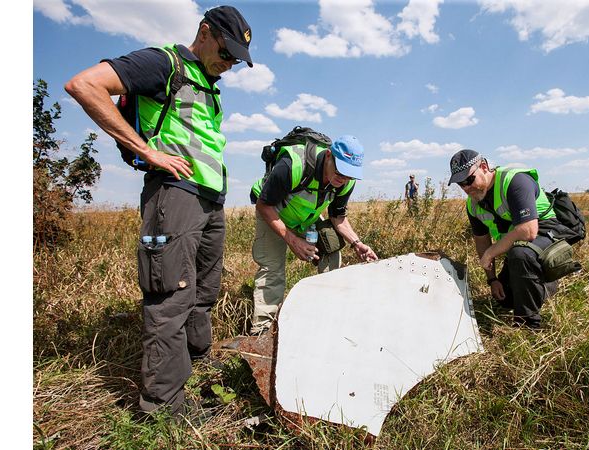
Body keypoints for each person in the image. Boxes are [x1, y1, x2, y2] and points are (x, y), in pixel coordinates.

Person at [65, 5, 254, 416]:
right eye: (226, 53)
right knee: (171, 296)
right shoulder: (163, 63)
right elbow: (84, 85)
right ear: (204, 32)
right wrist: (147, 151)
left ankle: (195, 363)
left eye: (236, 61)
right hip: (175, 195)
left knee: (203, 291)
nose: (229, 64)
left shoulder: (206, 81)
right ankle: (164, 407)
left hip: (209, 199)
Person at [249, 135, 379, 334]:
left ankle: (327, 314)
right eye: (340, 171)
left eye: (349, 175)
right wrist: (293, 241)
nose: (342, 179)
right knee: (273, 268)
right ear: (328, 156)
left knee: (332, 248)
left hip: (304, 218)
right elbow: (263, 205)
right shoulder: (293, 166)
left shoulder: (346, 182)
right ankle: (262, 331)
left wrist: (357, 243)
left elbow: (337, 217)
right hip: (273, 211)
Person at [447, 149, 577, 328]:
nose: (467, 188)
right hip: (517, 243)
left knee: (520, 254)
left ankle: (527, 323)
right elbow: (482, 242)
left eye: (469, 180)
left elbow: (528, 230)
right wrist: (492, 280)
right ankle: (546, 283)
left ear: (484, 167)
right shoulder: (473, 205)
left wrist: (491, 253)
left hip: (546, 231)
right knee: (506, 298)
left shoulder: (515, 181)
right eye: (461, 184)